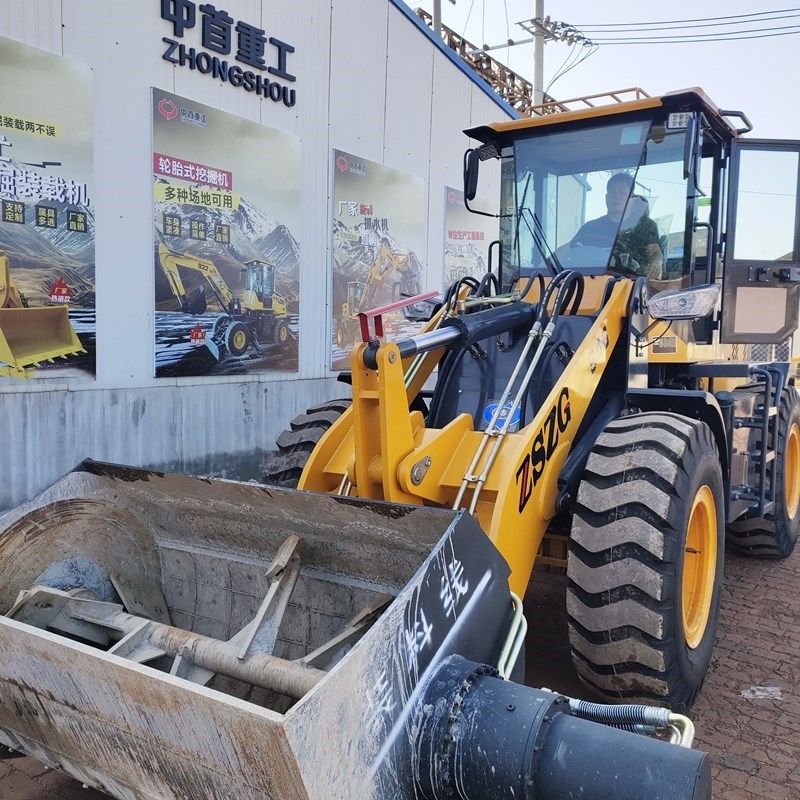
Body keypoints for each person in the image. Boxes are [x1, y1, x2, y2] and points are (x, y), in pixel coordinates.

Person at [570, 173, 664, 278]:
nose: (616, 196)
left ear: (632, 198)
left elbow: (655, 252)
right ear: (606, 197)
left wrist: (656, 262)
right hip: (592, 283)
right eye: (612, 192)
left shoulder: (646, 225)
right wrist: (548, 264)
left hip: (633, 286)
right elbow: (570, 250)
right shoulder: (590, 227)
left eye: (622, 192)